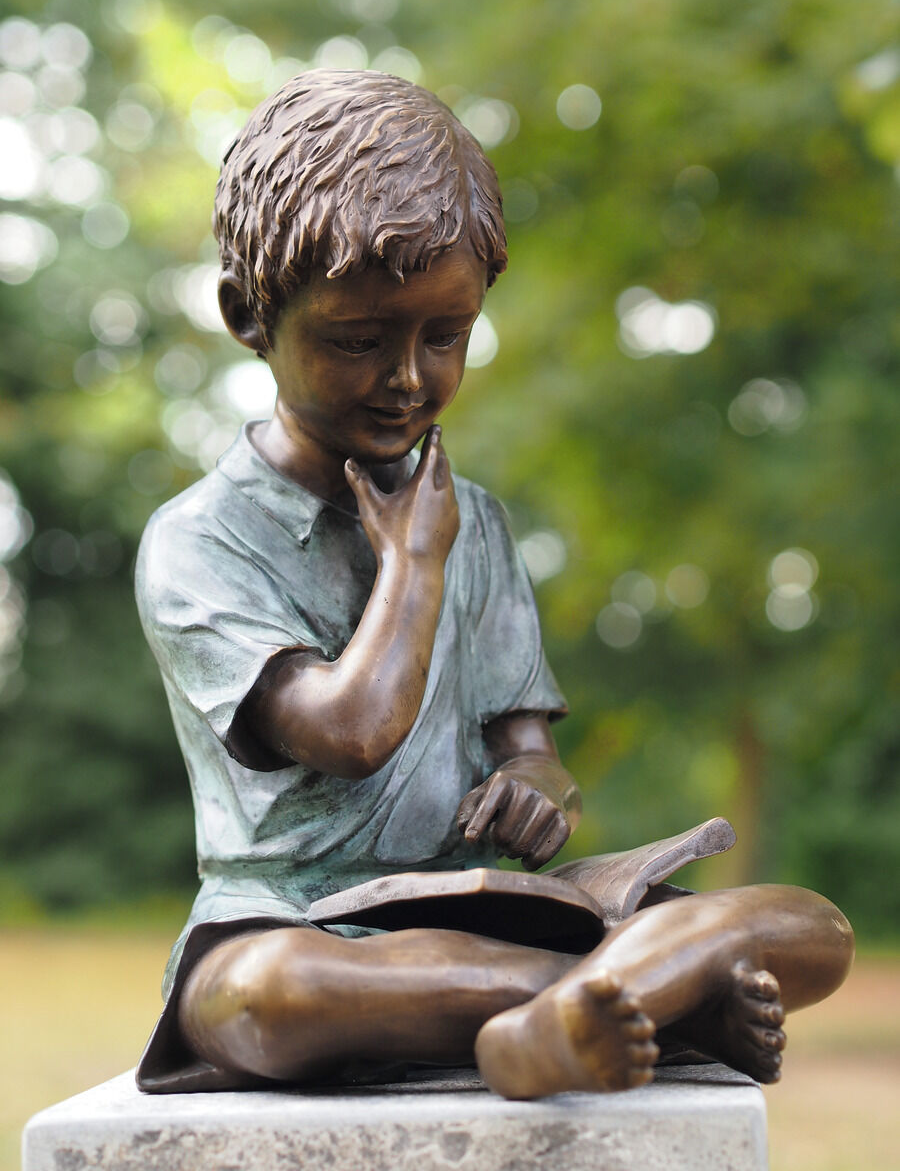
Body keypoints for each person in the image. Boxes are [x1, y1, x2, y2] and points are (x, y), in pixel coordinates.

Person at [135, 69, 853, 1099]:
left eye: (446, 335)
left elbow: (531, 751)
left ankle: (567, 1010)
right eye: (358, 339)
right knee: (265, 998)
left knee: (805, 926)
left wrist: (534, 792)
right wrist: (417, 561)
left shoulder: (482, 523)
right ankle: (643, 1001)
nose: (409, 378)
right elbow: (352, 731)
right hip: (293, 922)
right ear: (250, 315)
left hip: (480, 917)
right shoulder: (198, 541)